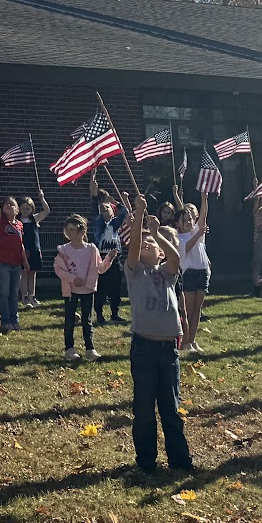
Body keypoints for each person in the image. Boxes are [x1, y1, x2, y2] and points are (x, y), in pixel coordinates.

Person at [123, 197, 193, 476]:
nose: (146, 246)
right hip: (143, 347)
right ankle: (146, 463)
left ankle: (180, 462)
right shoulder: (135, 272)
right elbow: (133, 249)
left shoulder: (167, 273)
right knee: (143, 410)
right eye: (143, 245)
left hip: (168, 350)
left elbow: (175, 257)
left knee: (171, 409)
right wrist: (139, 217)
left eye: (150, 244)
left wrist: (156, 234)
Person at [55, 213, 110, 361]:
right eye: (68, 230)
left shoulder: (91, 249)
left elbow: (100, 268)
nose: (70, 233)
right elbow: (58, 269)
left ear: (82, 231)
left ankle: (90, 349)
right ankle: (69, 348)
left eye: (73, 229)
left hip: (87, 289)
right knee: (70, 319)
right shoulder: (64, 250)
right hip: (71, 290)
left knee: (87, 319)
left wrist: (109, 258)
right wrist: (72, 279)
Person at [170, 188, 211, 354]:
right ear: (178, 223)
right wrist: (198, 234)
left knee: (197, 310)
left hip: (202, 272)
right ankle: (184, 342)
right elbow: (186, 248)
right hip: (189, 274)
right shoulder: (178, 237)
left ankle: (192, 341)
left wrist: (203, 198)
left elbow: (203, 216)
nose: (189, 222)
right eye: (185, 220)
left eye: (190, 219)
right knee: (187, 309)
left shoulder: (196, 230)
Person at [0, 179, 27, 332]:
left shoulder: (19, 225)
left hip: (16, 264)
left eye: (12, 204)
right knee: (4, 293)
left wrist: (25, 261)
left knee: (14, 293)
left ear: (17, 210)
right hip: (3, 263)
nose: (9, 206)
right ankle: (5, 320)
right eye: (6, 204)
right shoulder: (2, 221)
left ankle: (14, 318)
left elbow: (20, 244)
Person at [88, 175, 128, 325]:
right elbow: (94, 205)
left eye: (107, 209)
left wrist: (115, 201)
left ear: (112, 212)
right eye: (102, 209)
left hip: (114, 259)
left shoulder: (115, 223)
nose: (104, 211)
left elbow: (124, 212)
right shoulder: (98, 222)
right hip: (100, 259)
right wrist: (93, 189)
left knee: (115, 288)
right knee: (100, 288)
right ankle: (99, 314)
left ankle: (115, 312)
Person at [17, 193, 51, 308]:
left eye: (28, 208)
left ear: (32, 209)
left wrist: (42, 198)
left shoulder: (34, 219)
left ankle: (32, 296)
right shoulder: (17, 221)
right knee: (24, 273)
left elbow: (46, 211)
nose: (25, 210)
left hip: (34, 250)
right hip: (22, 250)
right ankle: (24, 297)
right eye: (23, 208)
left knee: (32, 273)